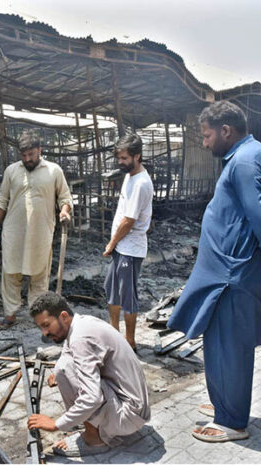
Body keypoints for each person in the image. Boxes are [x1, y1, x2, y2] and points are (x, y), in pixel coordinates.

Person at [167, 101, 261, 443]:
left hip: (231, 274)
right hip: (232, 269)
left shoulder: (244, 161)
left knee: (229, 348)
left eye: (208, 136)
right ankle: (224, 404)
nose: (205, 143)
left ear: (226, 130)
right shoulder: (257, 155)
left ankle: (232, 422)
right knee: (223, 344)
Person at [27, 292, 151, 457]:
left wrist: (56, 424)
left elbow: (92, 398)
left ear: (63, 316)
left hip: (128, 417)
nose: (44, 333)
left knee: (64, 369)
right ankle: (89, 423)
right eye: (41, 327)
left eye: (46, 325)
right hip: (134, 408)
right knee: (63, 367)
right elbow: (68, 348)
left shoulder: (80, 338)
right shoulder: (82, 323)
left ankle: (95, 439)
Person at [0, 131, 73, 329]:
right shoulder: (11, 171)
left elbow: (65, 197)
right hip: (13, 231)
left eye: (31, 155)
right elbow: (2, 201)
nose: (27, 159)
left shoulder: (54, 171)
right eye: (23, 155)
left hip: (41, 232)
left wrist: (65, 211)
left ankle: (39, 316)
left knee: (39, 275)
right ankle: (10, 315)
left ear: (39, 151)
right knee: (10, 273)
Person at [103, 133, 154, 351]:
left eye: (124, 158)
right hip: (121, 246)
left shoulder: (141, 183)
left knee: (127, 296)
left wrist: (111, 243)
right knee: (111, 289)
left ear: (137, 156)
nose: (120, 162)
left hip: (129, 249)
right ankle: (114, 334)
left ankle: (130, 341)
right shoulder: (130, 176)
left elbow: (129, 221)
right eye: (119, 158)